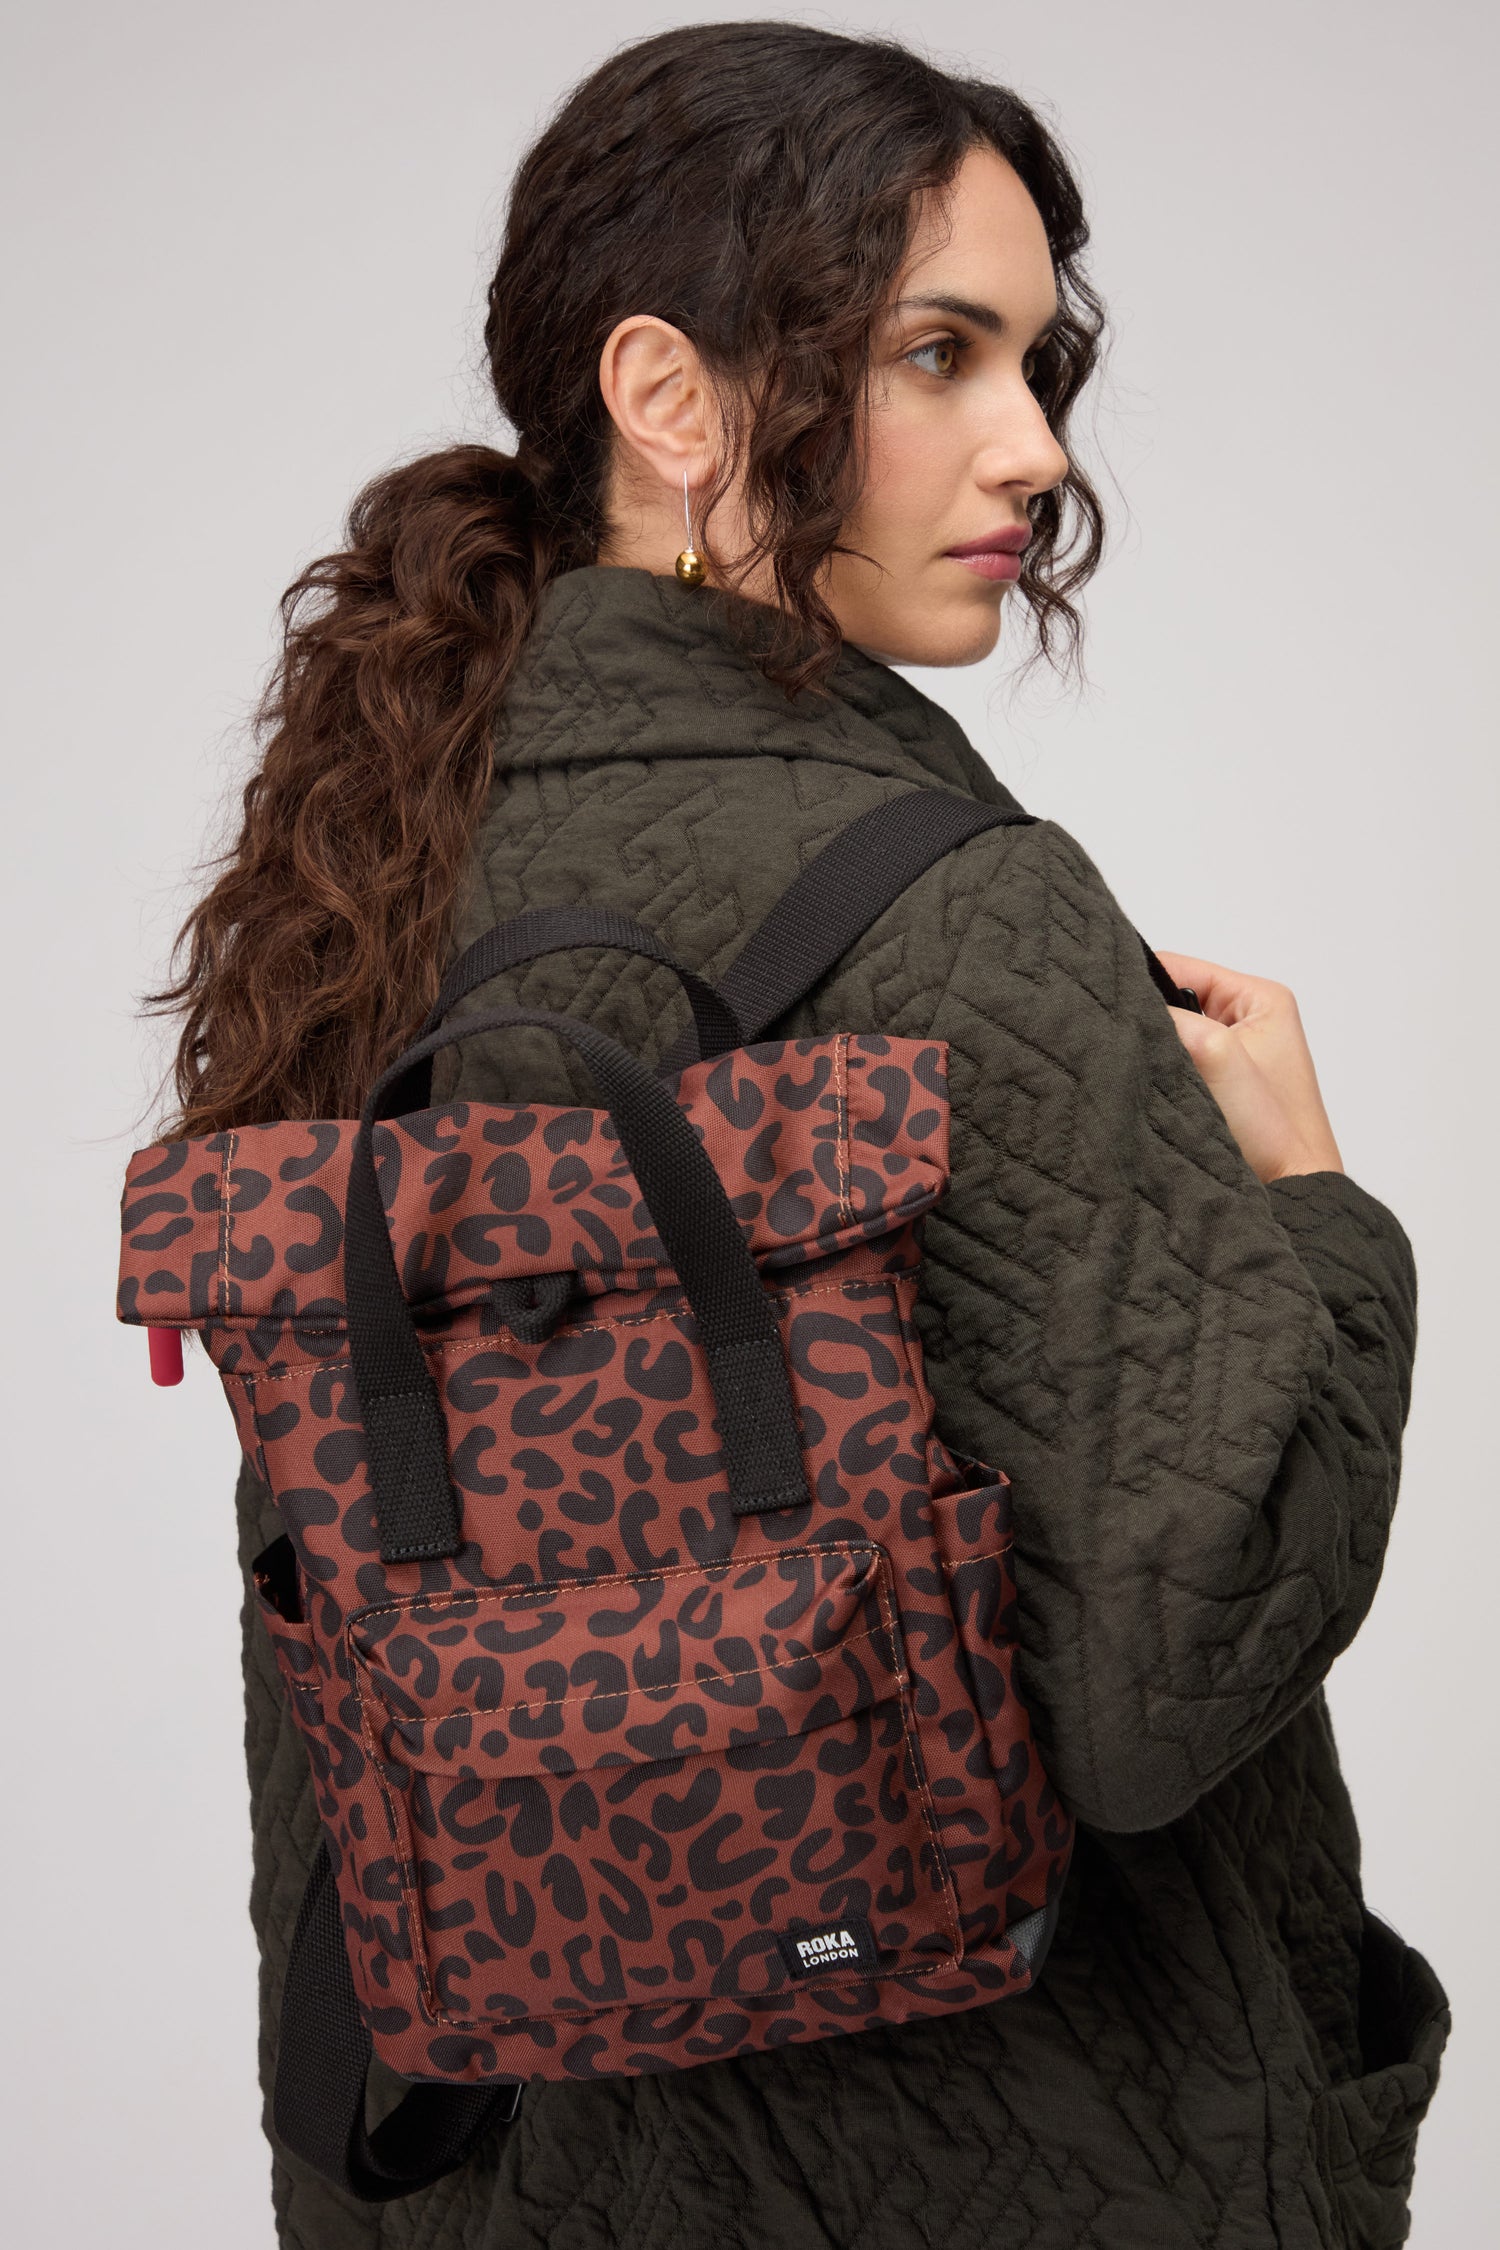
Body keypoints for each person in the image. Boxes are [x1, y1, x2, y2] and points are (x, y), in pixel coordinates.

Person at [155, 22, 1448, 2248]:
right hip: (1056, 2166)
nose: (1034, 445)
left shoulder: (368, 881)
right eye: (939, 354)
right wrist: (1323, 1216)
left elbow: (342, 1680)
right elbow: (1170, 1674)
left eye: (1038, 361)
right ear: (669, 399)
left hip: (511, 2183)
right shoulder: (967, 912)